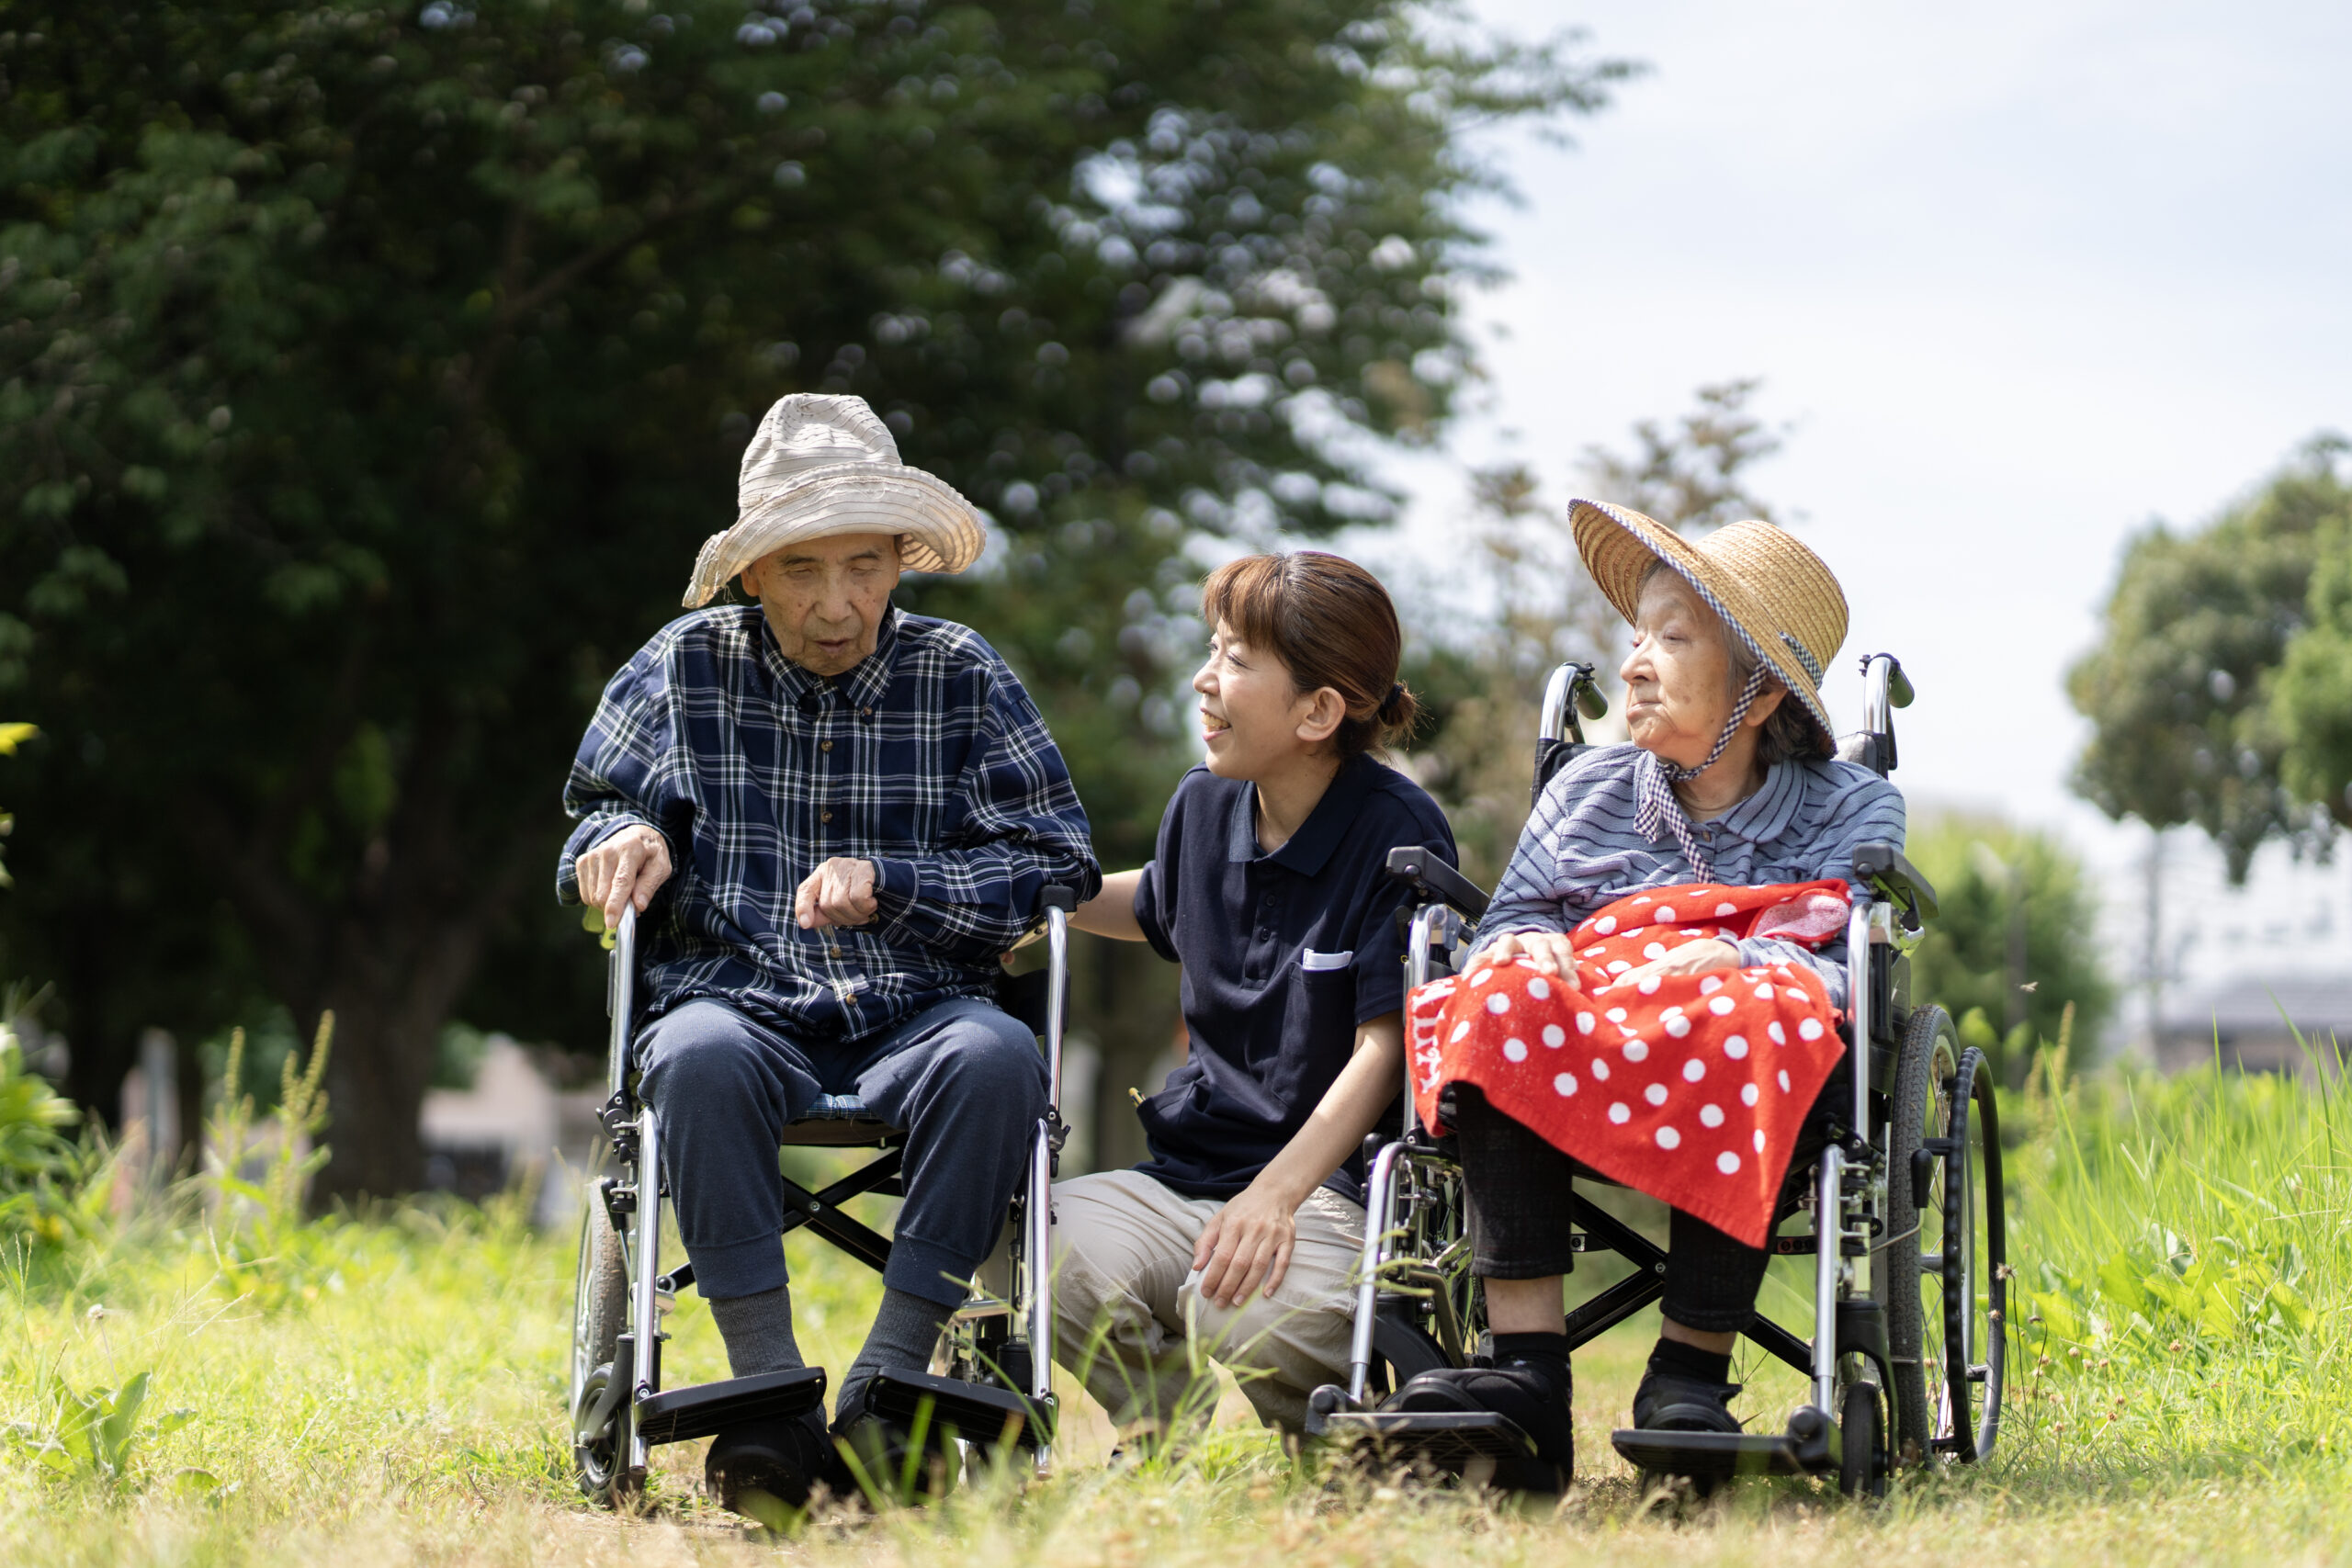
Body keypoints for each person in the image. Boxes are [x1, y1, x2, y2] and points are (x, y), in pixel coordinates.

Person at [558, 394, 1101, 1513]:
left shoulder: (962, 675)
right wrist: (623, 839)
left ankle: (887, 1394)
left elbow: (1058, 863)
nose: (838, 603)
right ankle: (766, 1402)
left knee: (999, 1060)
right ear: (754, 573)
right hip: (735, 1002)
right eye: (803, 570)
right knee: (695, 1056)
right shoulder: (681, 668)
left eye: (864, 565)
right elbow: (590, 815)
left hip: (922, 1012)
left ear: (903, 560)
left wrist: (899, 886)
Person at [1385, 500, 1904, 1486]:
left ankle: (1686, 1376)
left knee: (1764, 1011)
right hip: (1587, 1037)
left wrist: (1737, 962)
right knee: (1492, 989)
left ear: (1757, 694)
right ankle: (1525, 1376)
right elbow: (1515, 919)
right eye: (1634, 637)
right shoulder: (1585, 791)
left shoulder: (1853, 806)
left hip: (1738, 1041)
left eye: (1671, 639)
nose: (1633, 663)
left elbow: (1844, 967)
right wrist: (1534, 952)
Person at [1054, 551, 1457, 1438]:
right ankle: (1165, 1432)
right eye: (1213, 649)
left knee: (1237, 1305)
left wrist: (1275, 1195)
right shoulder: (1203, 803)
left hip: (1333, 1189)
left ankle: (1325, 1441)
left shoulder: (1398, 832)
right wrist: (1041, 892)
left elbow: (1386, 1050)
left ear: (1319, 710)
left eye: (1236, 660)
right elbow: (1160, 901)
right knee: (1042, 1246)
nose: (1203, 679)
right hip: (1193, 1171)